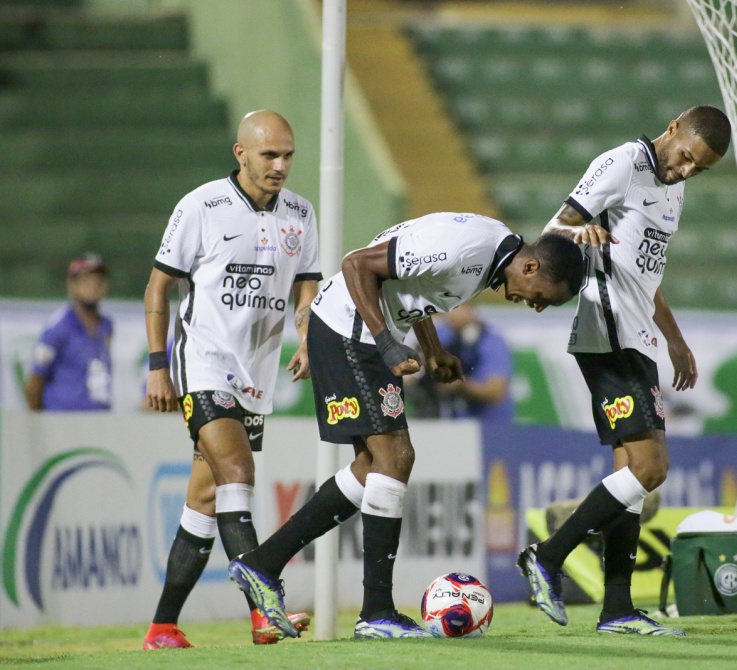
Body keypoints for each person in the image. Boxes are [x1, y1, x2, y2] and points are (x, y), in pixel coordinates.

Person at [227, 212, 584, 639]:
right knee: (396, 457)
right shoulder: (467, 248)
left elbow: (414, 291)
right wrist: (386, 343)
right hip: (350, 332)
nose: (538, 305)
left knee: (372, 467)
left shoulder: (489, 257)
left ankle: (262, 564)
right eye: (544, 295)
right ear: (531, 266)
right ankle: (376, 613)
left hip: (357, 332)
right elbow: (357, 265)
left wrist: (432, 350)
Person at [517, 105, 732, 636]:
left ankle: (616, 608)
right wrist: (582, 231)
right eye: (685, 159)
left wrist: (675, 339)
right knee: (651, 469)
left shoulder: (672, 191)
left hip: (638, 335)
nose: (686, 173)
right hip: (606, 330)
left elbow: (646, 274)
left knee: (630, 479)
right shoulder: (622, 163)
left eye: (698, 170)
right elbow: (552, 233)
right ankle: (547, 555)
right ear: (672, 129)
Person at [141, 110, 321, 649]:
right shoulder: (201, 206)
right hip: (203, 362)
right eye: (270, 155)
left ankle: (162, 627)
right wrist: (157, 366)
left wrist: (308, 336)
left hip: (256, 372)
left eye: (288, 155)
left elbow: (307, 288)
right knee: (237, 475)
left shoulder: (301, 214)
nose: (281, 165)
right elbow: (158, 289)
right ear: (240, 153)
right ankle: (265, 610)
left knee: (203, 501)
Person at [25, 253, 113, 411]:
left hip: (98, 421)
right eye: (86, 281)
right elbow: (35, 382)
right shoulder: (59, 328)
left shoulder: (106, 326)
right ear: (72, 285)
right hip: (63, 421)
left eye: (98, 281)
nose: (93, 287)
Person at [414, 303, 514, 422]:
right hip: (447, 424)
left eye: (455, 307)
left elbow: (496, 392)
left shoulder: (492, 342)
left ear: (470, 309)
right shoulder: (443, 335)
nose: (449, 314)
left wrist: (460, 384)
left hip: (488, 427)